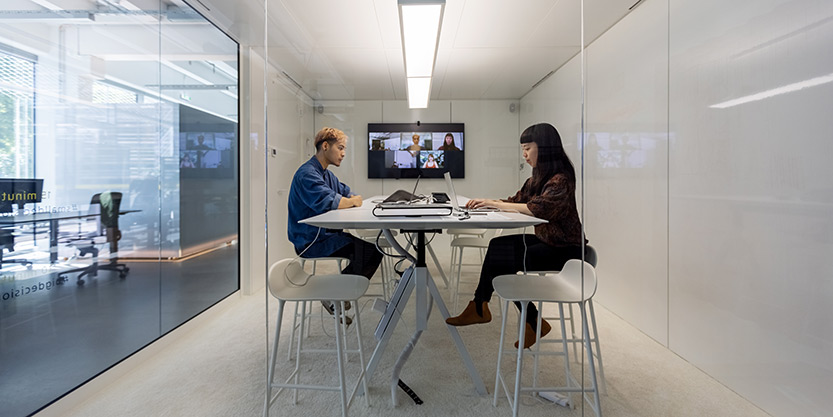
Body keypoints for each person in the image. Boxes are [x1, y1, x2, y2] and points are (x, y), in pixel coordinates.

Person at [445, 122, 587, 349]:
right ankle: (517, 316)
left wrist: (493, 203)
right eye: (523, 149)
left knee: (502, 256)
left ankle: (486, 308)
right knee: (498, 247)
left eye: (528, 148)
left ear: (545, 148)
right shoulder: (538, 178)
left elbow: (536, 208)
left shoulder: (561, 179)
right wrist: (487, 203)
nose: (524, 154)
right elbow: (518, 201)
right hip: (548, 242)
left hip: (566, 251)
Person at [287, 127, 383, 319]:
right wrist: (349, 201)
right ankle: (335, 296)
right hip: (311, 242)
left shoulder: (326, 174)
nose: (343, 153)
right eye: (340, 148)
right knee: (370, 253)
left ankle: (336, 296)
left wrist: (350, 200)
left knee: (371, 252)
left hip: (328, 236)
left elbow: (350, 194)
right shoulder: (308, 174)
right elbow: (338, 202)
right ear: (325, 146)